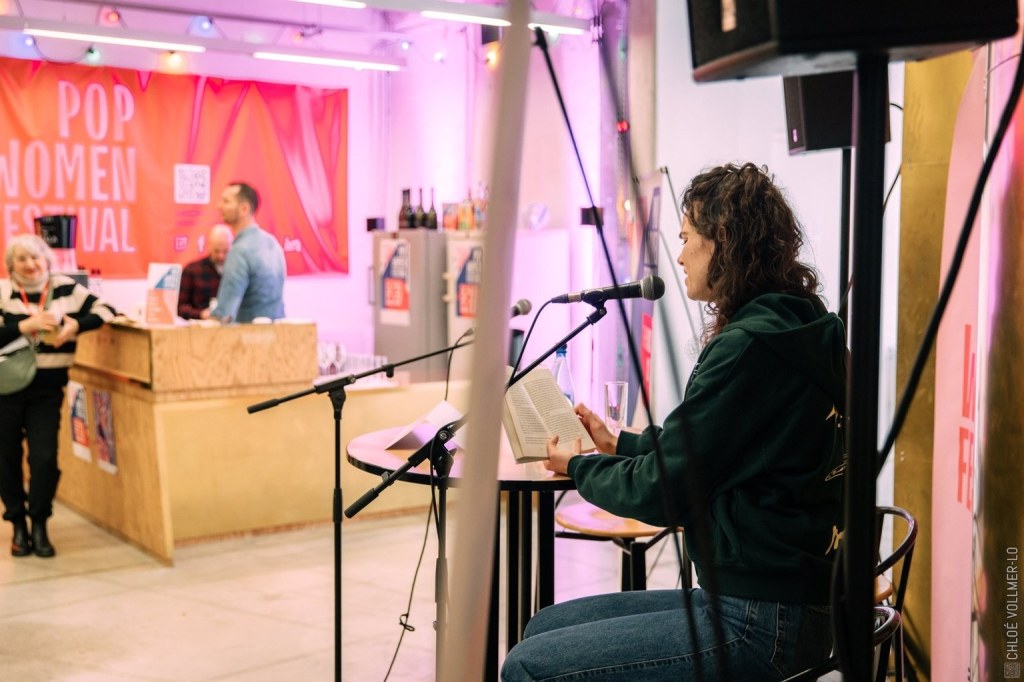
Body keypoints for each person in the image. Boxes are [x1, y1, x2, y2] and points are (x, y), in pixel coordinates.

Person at [501, 163, 848, 681]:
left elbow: (664, 491)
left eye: (686, 239)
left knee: (526, 666)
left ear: (723, 239)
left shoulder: (748, 348)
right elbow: (712, 445)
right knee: (543, 626)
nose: (680, 256)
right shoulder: (797, 326)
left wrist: (577, 467)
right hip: (790, 602)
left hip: (761, 621)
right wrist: (617, 442)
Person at [0, 234, 116, 558]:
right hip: (5, 390)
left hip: (47, 392)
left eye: (36, 257)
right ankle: (17, 524)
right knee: (6, 459)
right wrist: (24, 326)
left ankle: (39, 523)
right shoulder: (3, 291)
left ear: (47, 260)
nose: (30, 264)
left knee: (45, 459)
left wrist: (76, 326)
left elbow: (108, 310)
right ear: (11, 265)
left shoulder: (65, 288)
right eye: (22, 259)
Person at [209, 182, 286, 323]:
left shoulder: (239, 251)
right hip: (277, 331)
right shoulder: (272, 243)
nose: (219, 206)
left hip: (247, 333)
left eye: (226, 201)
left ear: (244, 208)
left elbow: (224, 312)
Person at [177, 224, 234, 320]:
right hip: (200, 325)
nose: (221, 256)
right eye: (216, 251)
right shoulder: (192, 270)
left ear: (232, 247)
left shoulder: (238, 270)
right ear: (209, 246)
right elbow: (180, 308)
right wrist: (201, 314)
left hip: (232, 324)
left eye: (225, 251)